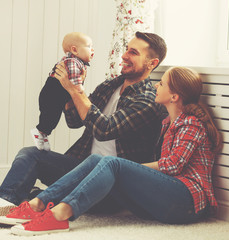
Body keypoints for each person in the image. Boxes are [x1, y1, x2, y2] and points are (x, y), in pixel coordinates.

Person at [0, 66, 223, 236]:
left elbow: (173, 165)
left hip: (189, 200)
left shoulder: (192, 123)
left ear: (174, 96)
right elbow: (74, 121)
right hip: (167, 201)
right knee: (100, 159)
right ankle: (36, 205)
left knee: (112, 163)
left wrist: (128, 170)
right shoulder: (167, 122)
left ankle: (59, 214)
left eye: (162, 84)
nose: (157, 86)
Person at [0, 32, 167, 216]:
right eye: (126, 49)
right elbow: (75, 121)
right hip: (80, 167)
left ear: (152, 63)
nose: (124, 55)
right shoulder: (110, 86)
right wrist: (65, 91)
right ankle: (5, 204)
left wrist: (74, 89)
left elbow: (105, 129)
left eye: (133, 52)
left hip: (111, 182)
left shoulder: (149, 100)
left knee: (45, 195)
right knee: (29, 154)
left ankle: (37, 200)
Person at [31, 32, 94, 151]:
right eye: (89, 46)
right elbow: (74, 74)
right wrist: (78, 86)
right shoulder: (72, 61)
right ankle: (40, 132)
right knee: (49, 116)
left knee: (53, 118)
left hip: (57, 95)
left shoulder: (78, 62)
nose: (92, 49)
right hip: (52, 93)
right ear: (75, 50)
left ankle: (43, 135)